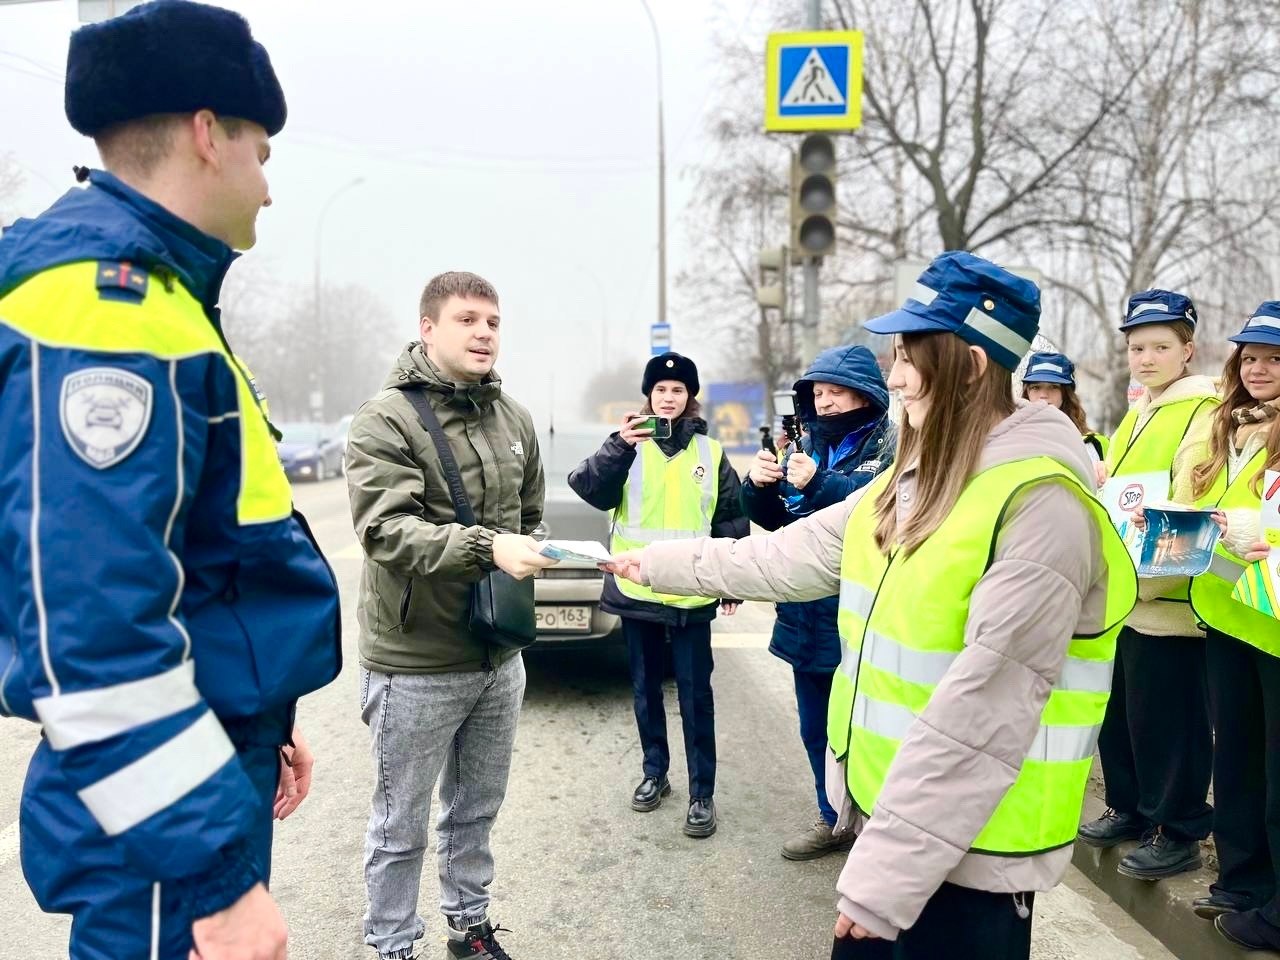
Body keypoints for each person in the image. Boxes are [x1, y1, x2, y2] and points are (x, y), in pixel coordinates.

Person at [605, 251, 1135, 959]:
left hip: (971, 857)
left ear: (971, 365)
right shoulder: (914, 480)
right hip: (898, 830)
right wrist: (660, 562)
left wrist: (884, 877)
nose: (891, 377)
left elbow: (982, 712)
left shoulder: (1042, 506)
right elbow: (785, 556)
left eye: (906, 357)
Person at [0, 3, 341, 958]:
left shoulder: (156, 295)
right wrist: (214, 881)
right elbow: (90, 635)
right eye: (262, 153)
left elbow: (199, 562)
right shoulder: (105, 307)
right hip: (156, 851)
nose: (268, 188)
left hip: (198, 769)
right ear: (207, 134)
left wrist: (260, 711)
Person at [346, 270, 553, 960]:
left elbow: (528, 514)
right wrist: (491, 548)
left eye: (493, 321)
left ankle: (469, 929)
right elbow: (384, 531)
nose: (485, 333)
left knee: (475, 812)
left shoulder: (514, 417)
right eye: (467, 319)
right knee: (399, 825)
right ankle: (392, 944)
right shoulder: (387, 418)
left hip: (498, 657)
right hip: (417, 663)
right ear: (428, 328)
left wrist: (521, 547)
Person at [568, 352, 749, 838]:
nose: (668, 398)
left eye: (678, 390)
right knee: (646, 690)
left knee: (696, 696)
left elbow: (730, 518)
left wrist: (731, 582)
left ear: (690, 397)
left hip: (692, 591)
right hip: (637, 588)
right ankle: (655, 773)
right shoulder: (628, 447)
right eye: (660, 390)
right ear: (648, 396)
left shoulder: (710, 453)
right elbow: (587, 486)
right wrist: (619, 446)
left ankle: (701, 794)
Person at [1078, 290, 1218, 880]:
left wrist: (1149, 582)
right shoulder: (1140, 411)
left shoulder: (1201, 410)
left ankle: (1179, 828)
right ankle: (1132, 808)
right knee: (1127, 716)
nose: (1146, 356)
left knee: (1170, 722)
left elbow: (1189, 500)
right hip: (1130, 591)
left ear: (1188, 350)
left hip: (1168, 598)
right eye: (1136, 346)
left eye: (1161, 346)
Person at [741, 344, 895, 860]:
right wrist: (757, 486)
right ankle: (831, 819)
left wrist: (822, 483)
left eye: (837, 392)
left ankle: (877, 829)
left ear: (865, 395)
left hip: (862, 615)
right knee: (816, 728)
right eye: (819, 393)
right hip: (804, 612)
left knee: (868, 733)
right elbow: (778, 521)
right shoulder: (803, 444)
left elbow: (879, 510)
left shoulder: (891, 445)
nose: (826, 403)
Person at [1174, 302, 1280, 951]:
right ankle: (1244, 882)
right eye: (1251, 356)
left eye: (1273, 358)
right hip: (1230, 616)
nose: (1260, 368)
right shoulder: (1233, 427)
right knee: (1237, 762)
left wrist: (1261, 531)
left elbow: (1263, 522)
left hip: (1274, 629)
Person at [1020, 350, 1108, 467]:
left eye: (1053, 387)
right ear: (1027, 393)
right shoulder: (1010, 441)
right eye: (1036, 387)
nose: (1043, 395)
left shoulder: (1091, 445)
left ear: (1066, 394)